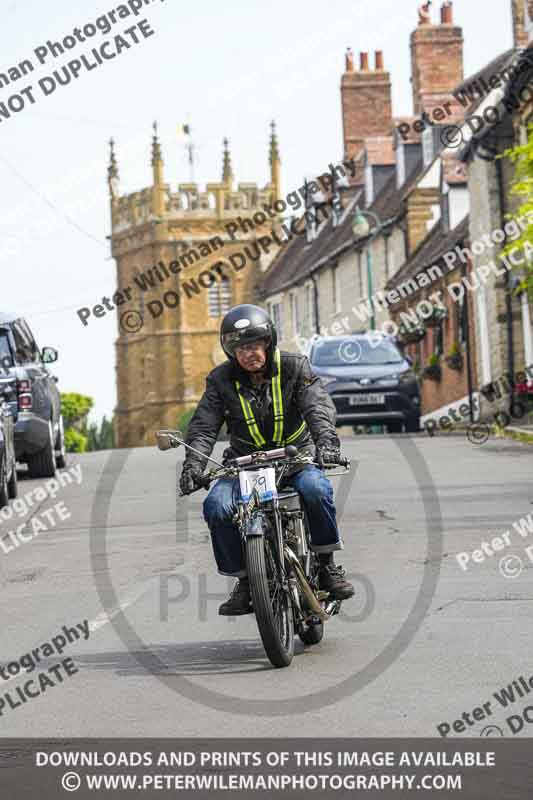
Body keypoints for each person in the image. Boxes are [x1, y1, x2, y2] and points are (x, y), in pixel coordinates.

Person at [179, 304, 355, 615]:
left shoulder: (294, 366)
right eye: (240, 348)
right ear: (231, 351)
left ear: (268, 342)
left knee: (316, 490)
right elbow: (205, 426)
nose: (249, 353)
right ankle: (245, 581)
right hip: (243, 465)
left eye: (254, 345)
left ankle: (327, 565)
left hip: (296, 458)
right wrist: (193, 466)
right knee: (216, 506)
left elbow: (318, 408)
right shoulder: (220, 380)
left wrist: (326, 444)